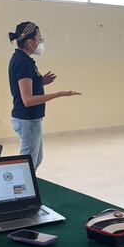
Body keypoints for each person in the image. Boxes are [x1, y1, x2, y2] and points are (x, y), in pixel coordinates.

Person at [8, 22, 81, 170]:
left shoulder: (25, 60)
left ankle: (29, 188)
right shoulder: (22, 62)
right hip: (27, 119)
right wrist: (60, 94)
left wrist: (41, 82)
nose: (40, 42)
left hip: (31, 119)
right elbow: (27, 100)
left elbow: (27, 86)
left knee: (36, 160)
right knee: (27, 166)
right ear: (30, 42)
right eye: (39, 39)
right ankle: (23, 191)